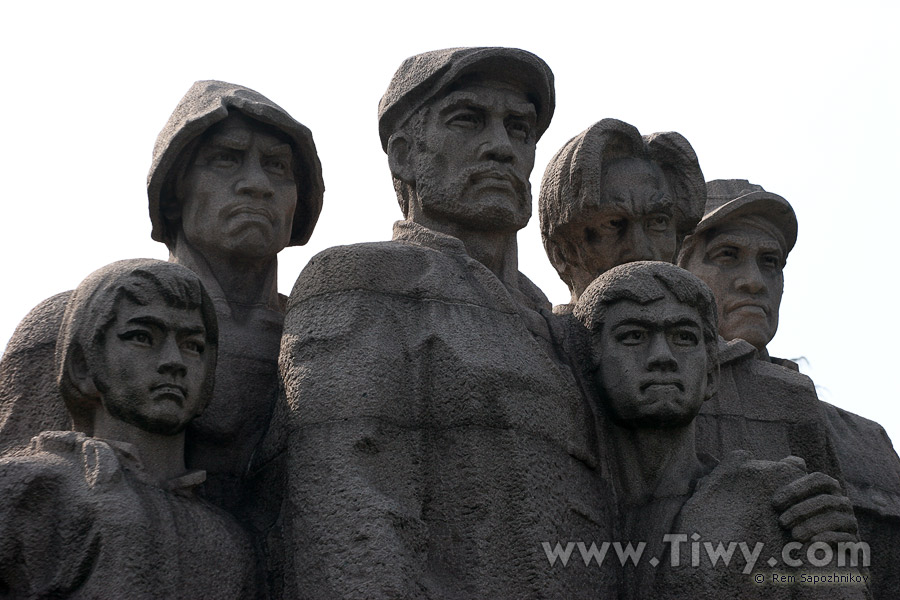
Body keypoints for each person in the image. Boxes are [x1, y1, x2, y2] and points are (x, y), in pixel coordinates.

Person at [266, 47, 615, 598]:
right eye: (467, 120)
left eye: (519, 128)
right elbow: (345, 504)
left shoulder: (562, 328)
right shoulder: (363, 277)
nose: (502, 147)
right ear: (404, 154)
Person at [0, 81, 324, 511]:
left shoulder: (318, 338)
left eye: (278, 166)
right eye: (226, 159)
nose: (256, 184)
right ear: (173, 192)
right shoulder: (66, 322)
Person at [573, 261, 867, 600]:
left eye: (684, 337)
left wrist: (840, 565)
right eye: (634, 336)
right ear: (589, 363)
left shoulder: (778, 500)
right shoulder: (566, 501)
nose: (662, 357)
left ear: (711, 371)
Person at [679, 179, 900, 599]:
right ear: (677, 271)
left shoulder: (867, 443)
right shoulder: (647, 411)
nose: (754, 282)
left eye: (770, 262)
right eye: (727, 256)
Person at [0, 259, 255, 598]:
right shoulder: (33, 489)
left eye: (192, 345)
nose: (174, 361)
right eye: (142, 337)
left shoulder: (228, 540)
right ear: (82, 364)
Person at [538, 118, 706, 311]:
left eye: (658, 221)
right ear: (560, 252)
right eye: (613, 223)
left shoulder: (706, 341)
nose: (640, 251)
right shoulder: (531, 338)